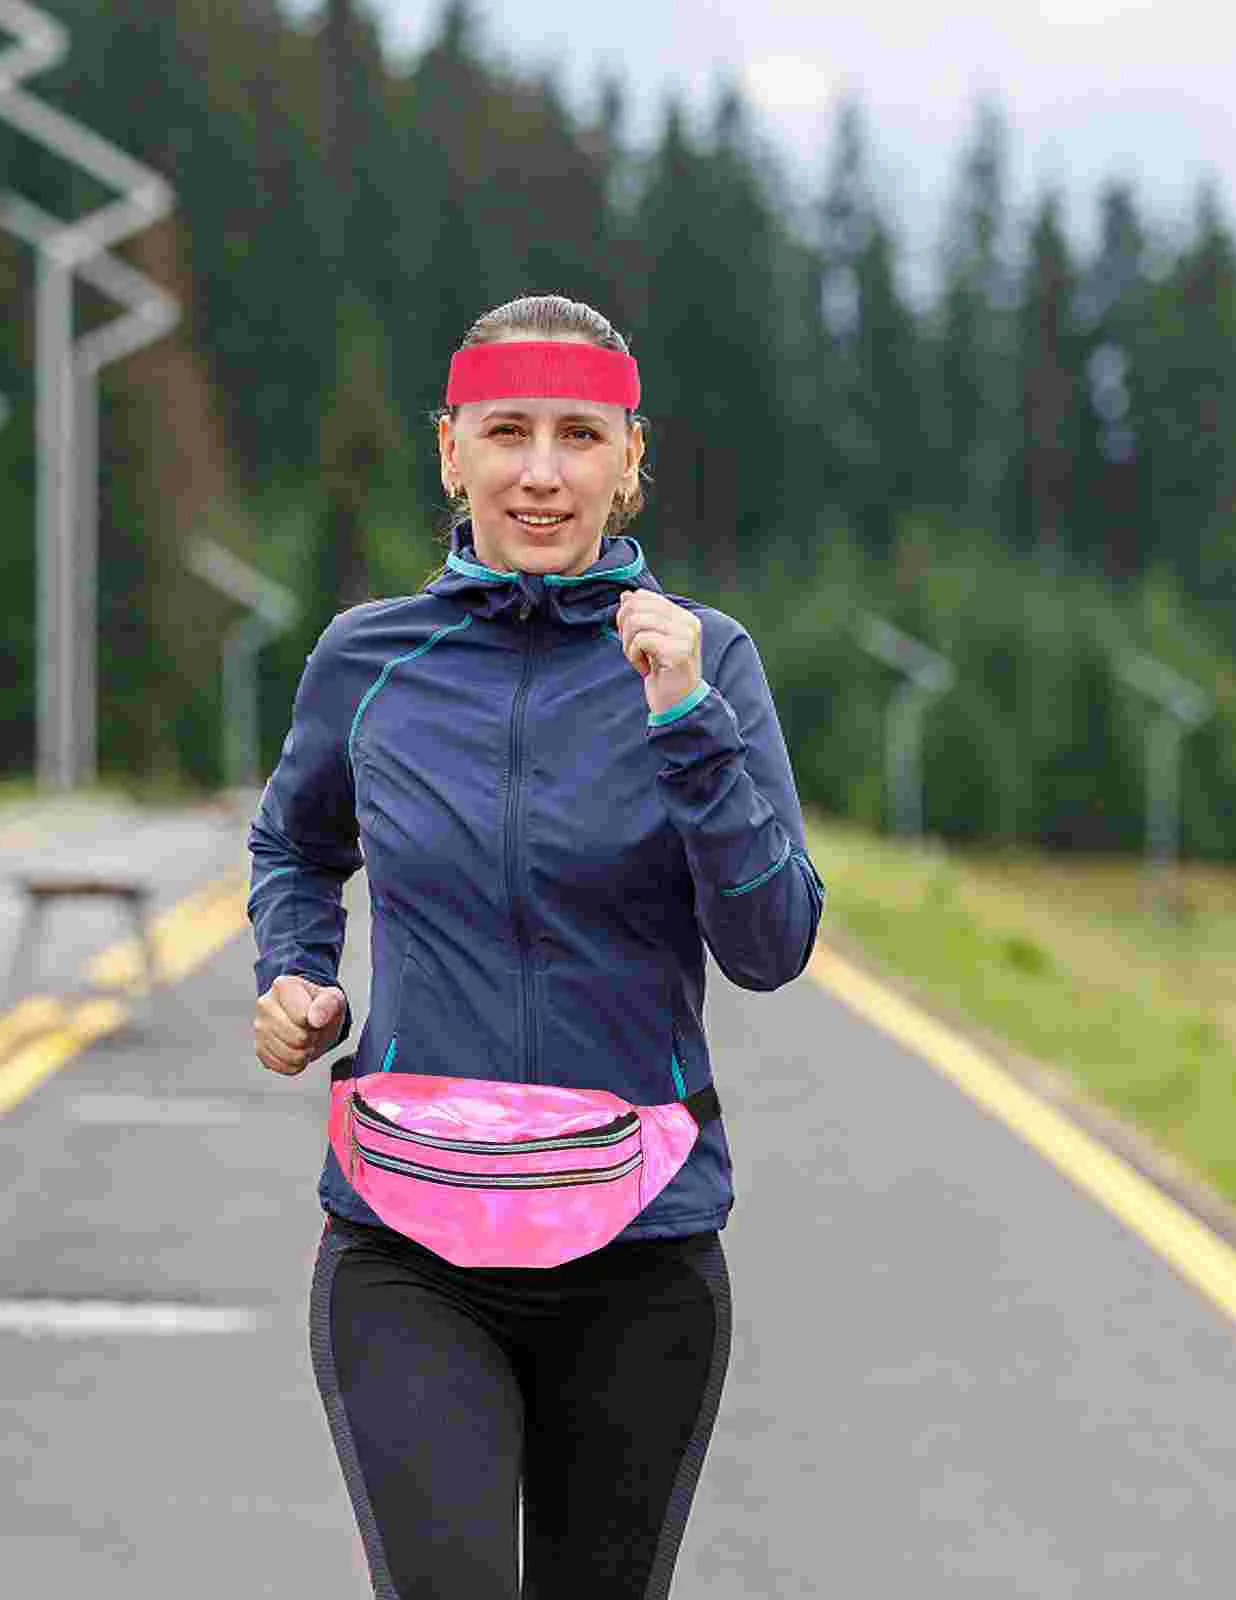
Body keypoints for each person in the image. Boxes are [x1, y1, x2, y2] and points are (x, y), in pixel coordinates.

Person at [247, 293, 824, 1599]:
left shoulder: (704, 661)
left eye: (581, 435)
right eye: (508, 432)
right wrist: (296, 967)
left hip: (642, 1256)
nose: (543, 471)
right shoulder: (369, 660)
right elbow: (294, 843)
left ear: (633, 461)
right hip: (406, 1241)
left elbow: (773, 942)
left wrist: (686, 724)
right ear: (451, 451)